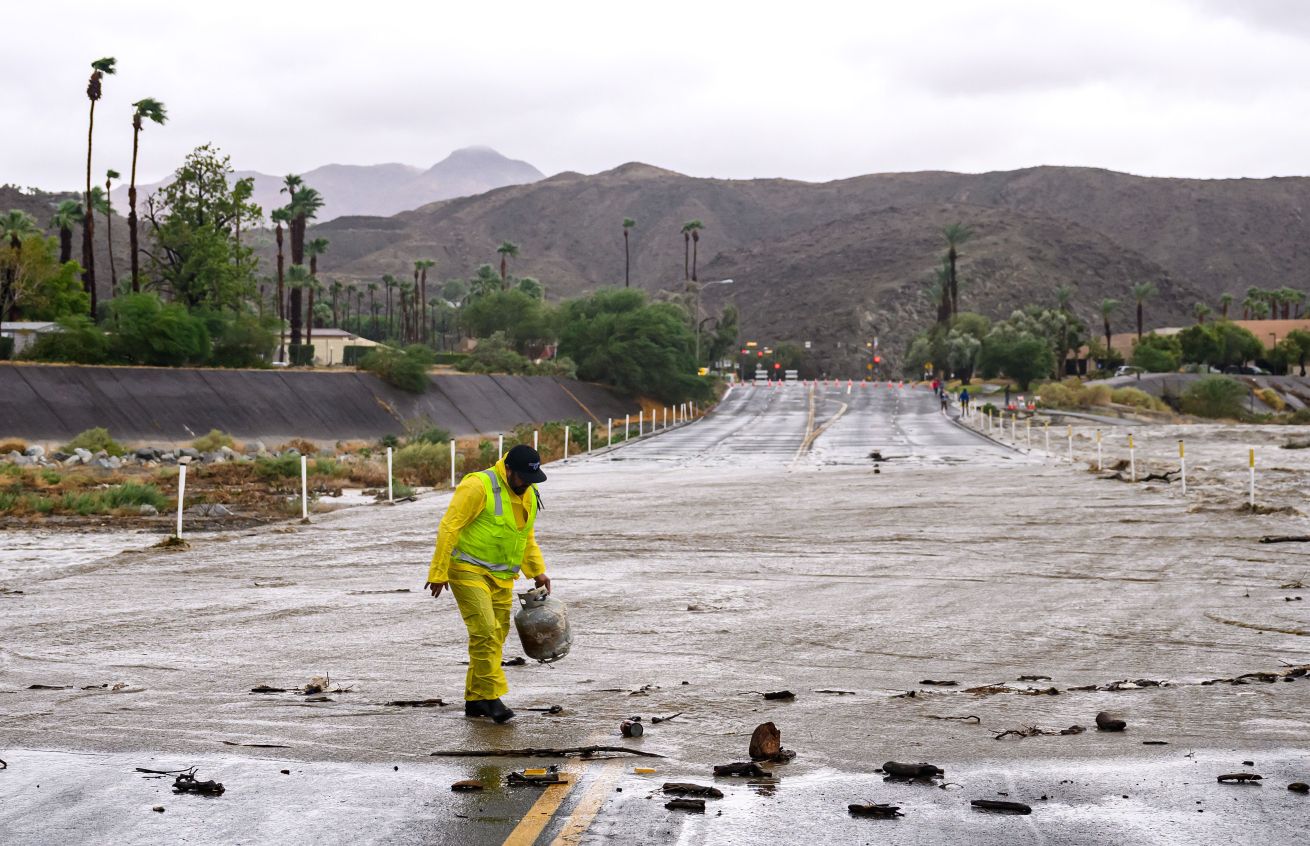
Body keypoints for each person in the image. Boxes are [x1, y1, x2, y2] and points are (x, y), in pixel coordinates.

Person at [425, 444, 551, 724]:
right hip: (467, 570)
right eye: (523, 478)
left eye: (532, 479)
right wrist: (438, 571)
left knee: (496, 635)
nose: (527, 484)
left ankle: (475, 699)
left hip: (502, 577)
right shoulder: (478, 485)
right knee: (484, 631)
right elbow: (450, 526)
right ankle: (492, 696)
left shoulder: (529, 493)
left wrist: (537, 571)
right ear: (508, 470)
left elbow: (525, 536)